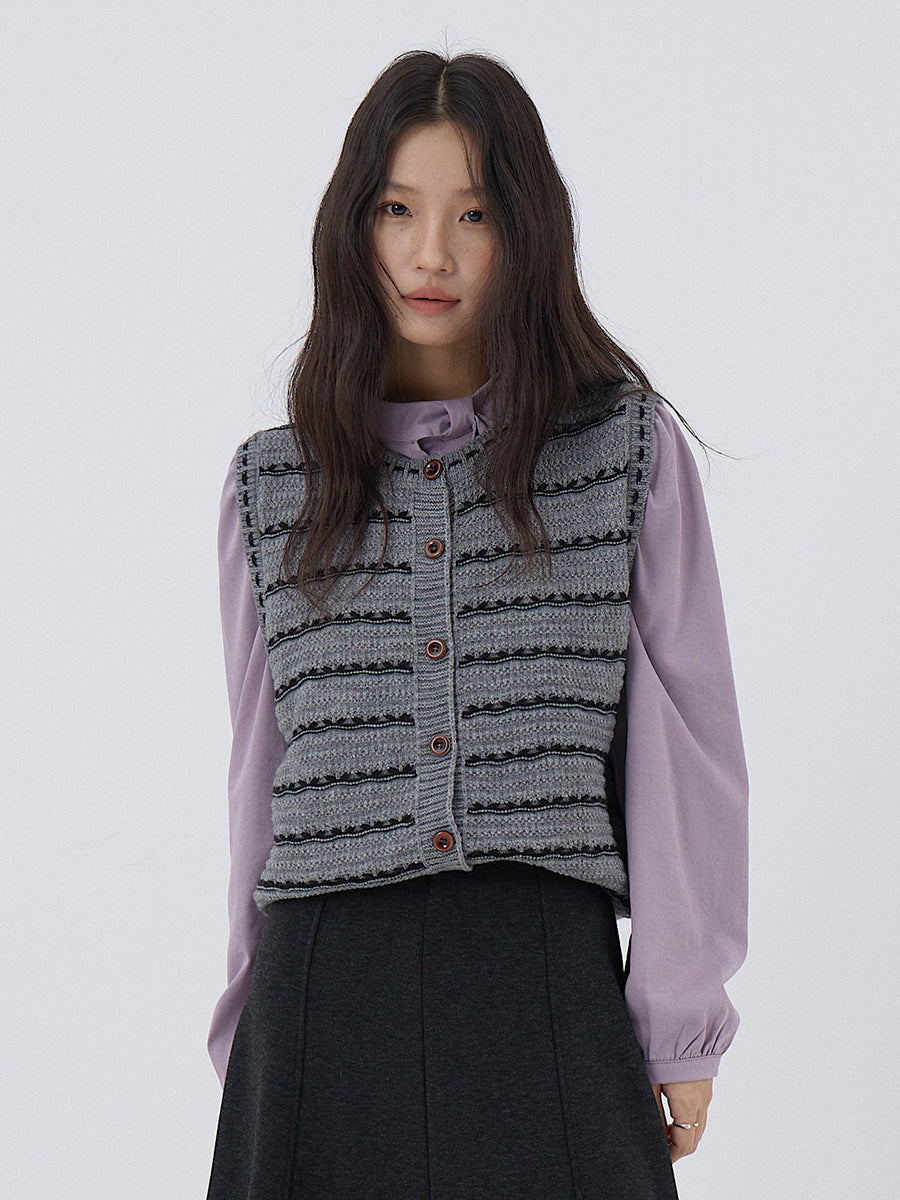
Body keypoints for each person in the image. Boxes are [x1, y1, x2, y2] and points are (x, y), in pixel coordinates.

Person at [205, 49, 749, 1200]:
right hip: (318, 996)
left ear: (527, 231)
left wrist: (679, 1015)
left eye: (475, 214)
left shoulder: (621, 454)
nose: (430, 256)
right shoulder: (272, 487)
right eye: (396, 209)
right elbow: (259, 772)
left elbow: (686, 751)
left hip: (541, 978)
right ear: (352, 226)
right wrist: (249, 1028)